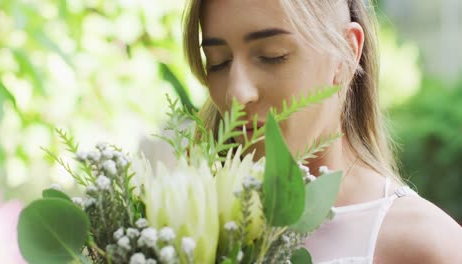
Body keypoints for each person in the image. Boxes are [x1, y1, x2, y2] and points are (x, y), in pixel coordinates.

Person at [182, 0, 462, 263]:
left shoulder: (428, 245)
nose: (236, 93)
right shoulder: (190, 222)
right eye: (218, 62)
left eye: (271, 56)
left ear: (347, 54)